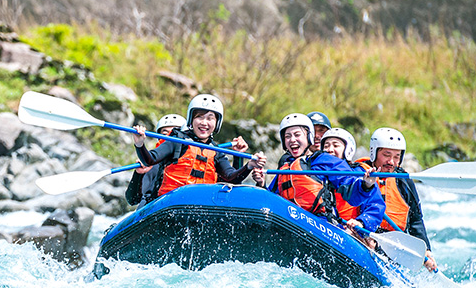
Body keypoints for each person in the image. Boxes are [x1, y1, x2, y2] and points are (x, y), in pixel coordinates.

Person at [255, 113, 384, 231]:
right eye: (287, 136)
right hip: (290, 223)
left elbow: (352, 192)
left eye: (297, 135)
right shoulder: (284, 169)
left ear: (308, 137)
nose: (292, 140)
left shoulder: (324, 160)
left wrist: (366, 185)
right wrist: (261, 183)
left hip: (322, 225)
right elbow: (270, 200)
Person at [133, 94, 264, 203]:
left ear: (216, 123)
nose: (204, 122)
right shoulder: (176, 141)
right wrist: (140, 144)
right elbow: (150, 160)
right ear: (191, 119)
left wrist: (249, 166)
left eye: (210, 118)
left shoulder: (215, 151)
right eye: (199, 117)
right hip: (172, 202)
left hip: (202, 204)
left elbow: (232, 178)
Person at [361, 127, 437, 271]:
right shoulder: (358, 172)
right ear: (374, 153)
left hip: (392, 245)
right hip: (362, 235)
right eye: (386, 155)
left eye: (396, 156)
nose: (391, 161)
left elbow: (415, 219)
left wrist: (426, 250)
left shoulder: (404, 182)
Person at [318, 127, 384, 245]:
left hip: (351, 230)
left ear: (347, 150)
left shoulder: (359, 174)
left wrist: (361, 223)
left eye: (335, 145)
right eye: (326, 145)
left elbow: (376, 205)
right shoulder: (316, 171)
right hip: (323, 224)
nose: (329, 149)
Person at [125, 113, 185, 206]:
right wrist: (139, 175)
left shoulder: (191, 162)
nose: (170, 138)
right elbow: (132, 200)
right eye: (165, 134)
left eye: (175, 134)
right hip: (155, 210)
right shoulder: (150, 162)